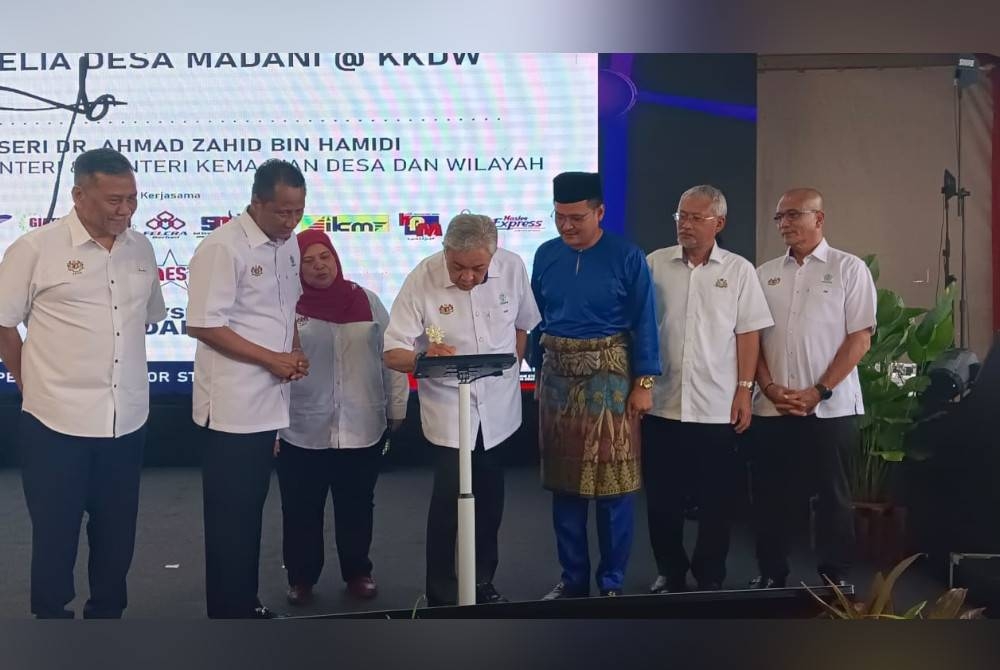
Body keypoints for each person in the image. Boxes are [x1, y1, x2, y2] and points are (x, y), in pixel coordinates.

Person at [0, 148, 166, 618]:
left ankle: (106, 619)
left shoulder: (142, 248)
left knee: (117, 531)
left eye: (132, 199)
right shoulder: (35, 248)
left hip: (127, 418)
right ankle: (52, 624)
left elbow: (148, 317)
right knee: (56, 533)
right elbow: (4, 322)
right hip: (55, 419)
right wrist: (26, 379)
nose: (125, 210)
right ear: (78, 195)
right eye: (114, 200)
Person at [384, 213, 540, 607]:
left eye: (477, 268)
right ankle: (441, 591)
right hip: (450, 410)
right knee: (448, 505)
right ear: (444, 250)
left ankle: (483, 581)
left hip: (499, 411)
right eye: (458, 267)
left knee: (490, 503)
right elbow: (391, 351)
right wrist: (421, 357)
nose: (468, 277)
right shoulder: (422, 278)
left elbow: (524, 324)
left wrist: (511, 367)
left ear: (494, 254)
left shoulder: (513, 267)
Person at [186, 159, 309, 618]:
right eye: (281, 211)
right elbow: (203, 325)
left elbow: (284, 309)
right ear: (255, 202)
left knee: (251, 513)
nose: (291, 221)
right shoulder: (223, 248)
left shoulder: (290, 243)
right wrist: (272, 359)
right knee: (230, 519)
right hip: (234, 405)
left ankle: (243, 603)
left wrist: (293, 352)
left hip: (272, 399)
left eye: (298, 211)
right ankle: (228, 614)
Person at [531, 171, 661, 599]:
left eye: (577, 218)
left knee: (613, 488)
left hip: (611, 375)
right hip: (556, 379)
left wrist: (643, 382)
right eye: (559, 217)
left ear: (600, 212)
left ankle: (611, 582)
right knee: (564, 486)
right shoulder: (546, 254)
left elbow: (645, 323)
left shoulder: (627, 255)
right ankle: (572, 579)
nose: (567, 226)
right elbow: (535, 319)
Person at [644, 185, 773, 593]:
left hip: (717, 404)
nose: (686, 224)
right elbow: (643, 329)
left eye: (696, 218)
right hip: (663, 402)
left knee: (718, 501)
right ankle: (670, 570)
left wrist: (743, 391)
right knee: (661, 499)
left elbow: (748, 334)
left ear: (719, 222)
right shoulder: (654, 264)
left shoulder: (738, 270)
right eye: (681, 215)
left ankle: (711, 574)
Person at [750, 187, 876, 588]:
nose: (784, 224)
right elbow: (751, 338)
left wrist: (819, 390)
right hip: (773, 407)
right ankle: (771, 574)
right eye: (779, 217)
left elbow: (860, 338)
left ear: (818, 219)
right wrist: (768, 386)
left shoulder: (848, 269)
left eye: (793, 215)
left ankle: (834, 578)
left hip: (830, 408)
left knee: (831, 496)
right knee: (771, 496)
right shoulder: (763, 273)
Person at [276, 229, 409, 606]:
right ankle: (301, 578)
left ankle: (358, 572)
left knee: (356, 505)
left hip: (361, 426)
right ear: (296, 268)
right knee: (301, 509)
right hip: (301, 428)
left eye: (325, 258)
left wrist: (397, 406)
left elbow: (393, 356)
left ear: (336, 258)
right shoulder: (287, 307)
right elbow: (271, 368)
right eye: (308, 260)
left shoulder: (366, 301)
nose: (319, 266)